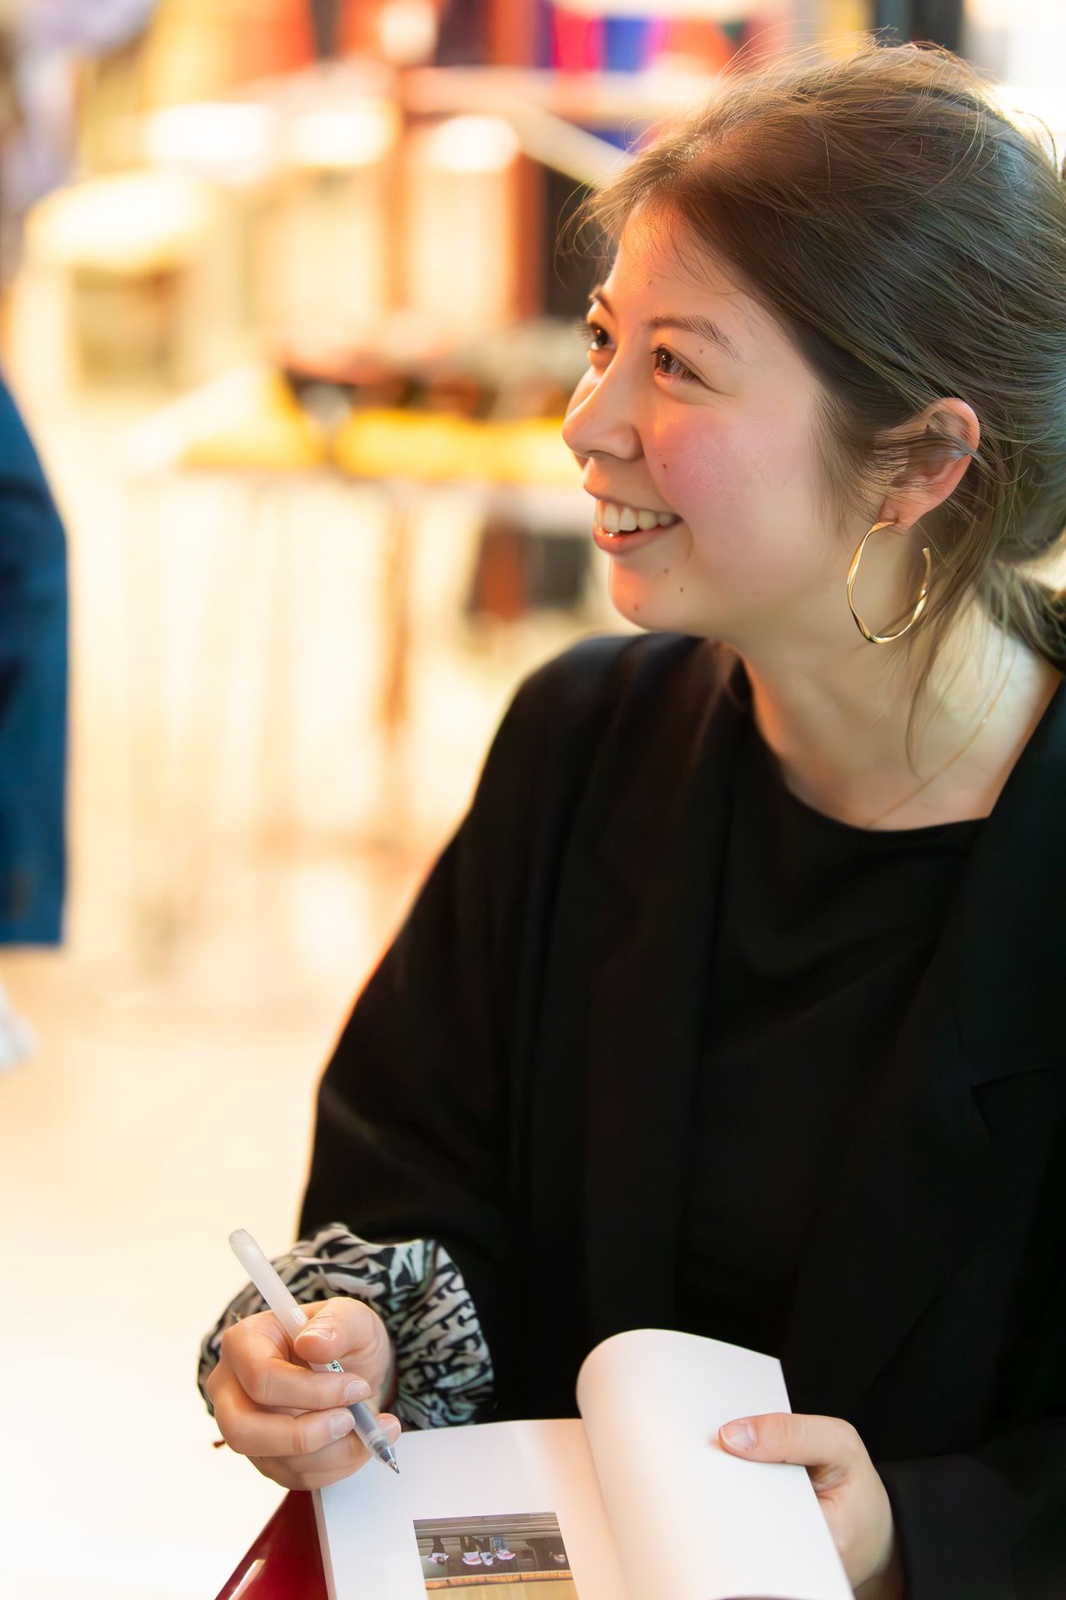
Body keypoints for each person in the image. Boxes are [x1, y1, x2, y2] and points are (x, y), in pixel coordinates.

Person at [199, 41, 1066, 1600]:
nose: (585, 422)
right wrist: (353, 1337)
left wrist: (909, 1534)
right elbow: (415, 1174)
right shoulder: (585, 740)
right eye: (604, 339)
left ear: (917, 463)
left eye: (677, 367)